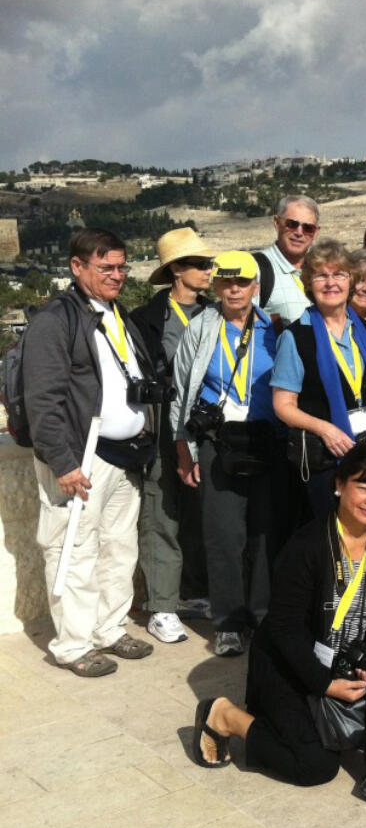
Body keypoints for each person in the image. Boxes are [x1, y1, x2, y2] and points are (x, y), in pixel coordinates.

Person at [189, 444, 366, 781]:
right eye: (364, 486)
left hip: (353, 652)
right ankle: (225, 716)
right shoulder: (306, 546)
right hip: (294, 659)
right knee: (315, 767)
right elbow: (285, 628)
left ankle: (349, 721)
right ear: (339, 485)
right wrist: (325, 684)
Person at [25, 228, 159, 676]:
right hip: (81, 456)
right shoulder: (55, 319)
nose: (117, 276)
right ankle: (73, 644)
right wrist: (62, 462)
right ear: (77, 266)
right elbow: (43, 398)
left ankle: (109, 628)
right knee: (73, 549)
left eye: (122, 267)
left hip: (124, 454)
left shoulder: (116, 314)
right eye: (107, 268)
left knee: (118, 548)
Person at [170, 250, 279, 657]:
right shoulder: (200, 328)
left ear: (256, 286)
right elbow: (182, 393)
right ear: (215, 285)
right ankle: (229, 623)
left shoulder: (276, 328)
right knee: (223, 536)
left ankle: (264, 616)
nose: (234, 289)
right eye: (226, 282)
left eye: (242, 282)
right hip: (219, 442)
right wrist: (185, 449)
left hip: (266, 441)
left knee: (265, 533)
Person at [272, 239, 366, 518]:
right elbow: (283, 405)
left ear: (350, 281)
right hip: (330, 459)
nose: (330, 283)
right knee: (334, 537)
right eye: (321, 275)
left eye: (339, 274)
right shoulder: (296, 337)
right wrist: (325, 429)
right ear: (309, 283)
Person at [130, 226, 214, 645]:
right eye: (200, 264)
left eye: (209, 263)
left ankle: (194, 593)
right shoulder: (145, 319)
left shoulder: (216, 313)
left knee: (201, 509)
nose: (209, 271)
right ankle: (162, 605)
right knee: (162, 509)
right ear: (176, 270)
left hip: (205, 421)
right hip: (162, 421)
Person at [259, 195, 320, 325]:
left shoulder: (322, 271)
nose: (299, 232)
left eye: (308, 228)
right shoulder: (258, 269)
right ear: (276, 223)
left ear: (316, 232)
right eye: (292, 224)